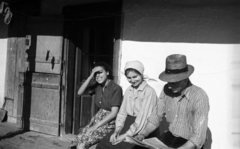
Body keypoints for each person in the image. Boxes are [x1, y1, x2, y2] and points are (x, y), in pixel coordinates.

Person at [135, 54, 210, 149]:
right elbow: (156, 116)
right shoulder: (166, 89)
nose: (169, 86)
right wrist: (143, 134)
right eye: (168, 82)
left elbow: (198, 137)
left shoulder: (199, 96)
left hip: (189, 142)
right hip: (170, 136)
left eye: (174, 82)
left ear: (185, 79)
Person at [96, 60, 159, 149]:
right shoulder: (129, 90)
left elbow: (142, 118)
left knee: (124, 146)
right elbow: (122, 112)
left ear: (141, 74)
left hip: (142, 127)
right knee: (104, 144)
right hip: (128, 124)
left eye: (135, 77)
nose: (132, 80)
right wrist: (117, 130)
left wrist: (126, 135)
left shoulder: (149, 92)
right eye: (129, 78)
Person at [68, 62, 123, 149]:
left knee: (83, 144)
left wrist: (95, 126)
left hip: (109, 123)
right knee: (77, 140)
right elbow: (79, 92)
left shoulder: (116, 88)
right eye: (95, 74)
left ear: (107, 72)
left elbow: (114, 113)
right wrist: (90, 76)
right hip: (97, 119)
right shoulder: (98, 87)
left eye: (100, 72)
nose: (97, 75)